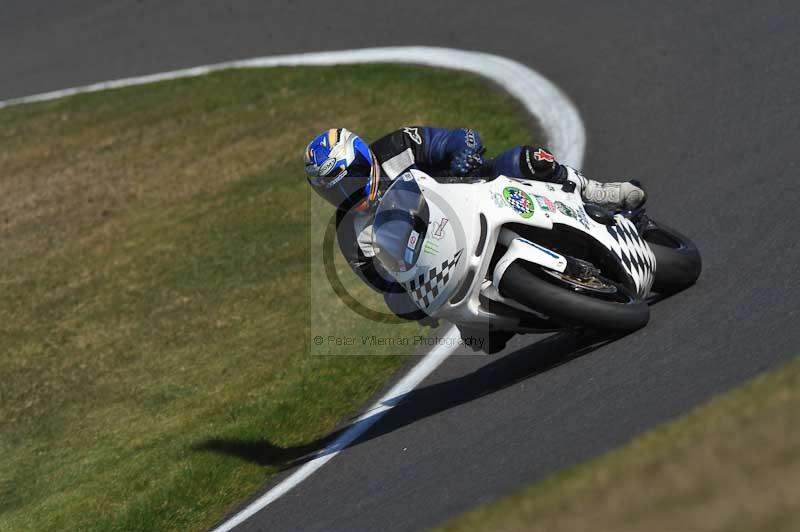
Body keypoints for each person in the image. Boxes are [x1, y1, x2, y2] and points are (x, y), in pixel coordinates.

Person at [303, 126, 645, 323]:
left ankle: (594, 190)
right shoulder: (350, 234)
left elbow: (459, 138)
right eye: (335, 191)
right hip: (445, 260)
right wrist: (407, 297)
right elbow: (383, 284)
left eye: (353, 178)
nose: (349, 193)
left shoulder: (398, 147)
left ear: (365, 157)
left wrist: (464, 157)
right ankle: (528, 315)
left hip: (471, 194)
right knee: (477, 334)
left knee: (523, 159)